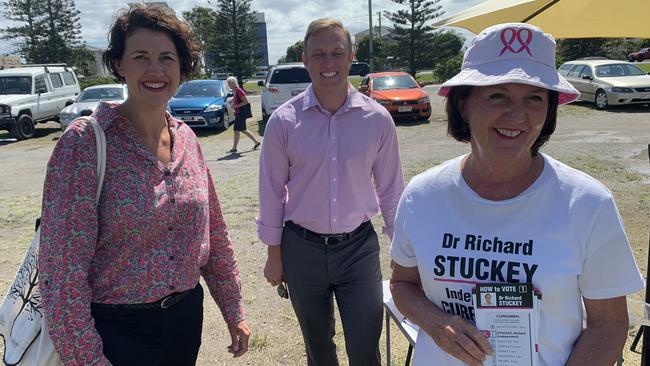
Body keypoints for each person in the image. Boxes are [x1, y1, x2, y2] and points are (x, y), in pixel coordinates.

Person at [389, 23, 644, 366]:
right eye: (498, 95)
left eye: (534, 99)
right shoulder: (423, 195)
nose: (517, 115)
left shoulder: (587, 203)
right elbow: (403, 285)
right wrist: (437, 323)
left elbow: (609, 324)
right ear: (463, 104)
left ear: (550, 110)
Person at [38, 5, 250, 365]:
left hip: (184, 322)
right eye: (141, 56)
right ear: (119, 63)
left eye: (167, 57)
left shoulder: (187, 140)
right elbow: (61, 272)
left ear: (182, 66)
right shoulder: (85, 143)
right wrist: (87, 358)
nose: (155, 69)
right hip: (115, 333)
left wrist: (234, 309)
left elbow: (214, 234)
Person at [258, 18, 404, 366]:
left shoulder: (377, 119)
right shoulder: (283, 122)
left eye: (337, 52)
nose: (328, 63)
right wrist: (274, 254)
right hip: (301, 249)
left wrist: (402, 253)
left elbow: (391, 191)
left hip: (358, 249)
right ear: (305, 60)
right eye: (318, 54)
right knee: (318, 348)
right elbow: (271, 192)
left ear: (351, 57)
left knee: (366, 347)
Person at [226, 76, 260, 153]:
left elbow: (246, 101)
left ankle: (234, 148)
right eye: (228, 83)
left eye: (229, 83)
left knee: (237, 130)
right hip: (238, 113)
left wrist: (236, 106)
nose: (228, 85)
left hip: (241, 114)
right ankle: (256, 142)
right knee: (242, 130)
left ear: (234, 83)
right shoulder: (235, 91)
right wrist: (234, 104)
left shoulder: (239, 90)